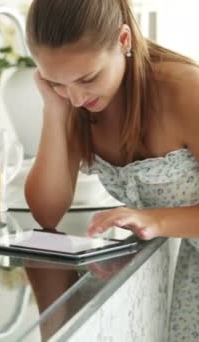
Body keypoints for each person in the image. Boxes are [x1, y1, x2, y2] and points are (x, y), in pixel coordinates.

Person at [22, 0, 199, 340]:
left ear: (123, 40)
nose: (74, 97)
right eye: (56, 81)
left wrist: (156, 219)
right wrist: (53, 110)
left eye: (87, 78)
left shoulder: (183, 90)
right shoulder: (76, 103)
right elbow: (47, 213)